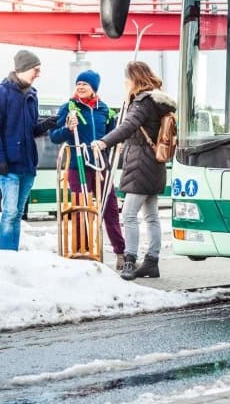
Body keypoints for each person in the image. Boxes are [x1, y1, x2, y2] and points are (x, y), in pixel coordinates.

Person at [91, 61, 177, 281]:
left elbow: (127, 126)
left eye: (126, 79)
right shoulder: (159, 102)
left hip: (140, 165)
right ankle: (152, 261)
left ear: (134, 79)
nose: (125, 83)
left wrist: (104, 142)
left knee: (129, 214)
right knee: (151, 217)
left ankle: (129, 261)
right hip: (156, 165)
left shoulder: (141, 102)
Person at [48, 70, 126, 268]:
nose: (81, 87)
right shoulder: (69, 107)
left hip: (100, 167)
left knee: (110, 210)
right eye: (78, 83)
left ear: (94, 88)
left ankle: (120, 253)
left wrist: (117, 143)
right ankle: (83, 252)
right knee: (80, 209)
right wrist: (68, 129)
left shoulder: (104, 110)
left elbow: (112, 137)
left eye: (85, 84)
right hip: (77, 166)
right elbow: (55, 136)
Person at [0, 49, 56, 251]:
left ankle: (13, 254)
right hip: (9, 167)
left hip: (27, 165)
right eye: (36, 69)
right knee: (9, 213)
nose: (38, 74)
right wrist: (0, 162)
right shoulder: (1, 93)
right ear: (23, 68)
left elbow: (31, 129)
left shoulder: (33, 95)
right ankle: (6, 256)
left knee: (17, 214)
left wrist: (49, 123)